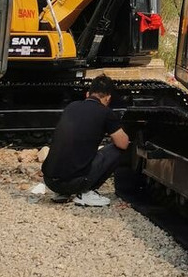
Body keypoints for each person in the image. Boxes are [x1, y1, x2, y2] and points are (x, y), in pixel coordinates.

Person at [41, 74, 131, 206]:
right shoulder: (105, 113)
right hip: (74, 183)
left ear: (87, 94)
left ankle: (62, 194)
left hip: (50, 181)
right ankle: (86, 193)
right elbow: (123, 144)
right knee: (115, 150)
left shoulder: (71, 107)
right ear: (108, 98)